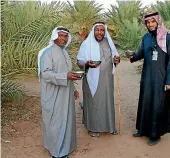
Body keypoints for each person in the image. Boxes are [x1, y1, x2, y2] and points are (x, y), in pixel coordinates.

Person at [126, 12, 170, 146]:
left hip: (161, 78)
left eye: (153, 21)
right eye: (148, 22)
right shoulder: (146, 37)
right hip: (147, 77)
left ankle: (155, 134)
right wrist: (132, 56)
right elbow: (141, 53)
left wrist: (169, 81)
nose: (150, 24)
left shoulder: (167, 37)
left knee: (158, 104)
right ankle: (142, 130)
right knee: (145, 102)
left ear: (158, 22)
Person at [37, 26, 81, 158]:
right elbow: (46, 74)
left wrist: (73, 89)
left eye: (65, 36)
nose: (63, 38)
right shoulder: (47, 53)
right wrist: (65, 76)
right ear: (55, 37)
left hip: (66, 93)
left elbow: (68, 72)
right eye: (61, 35)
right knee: (55, 121)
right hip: (53, 94)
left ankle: (67, 146)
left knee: (66, 120)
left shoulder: (65, 52)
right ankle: (56, 151)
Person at [77, 22, 120, 137]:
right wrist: (86, 63)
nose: (100, 32)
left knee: (107, 102)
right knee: (93, 103)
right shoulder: (86, 44)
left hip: (107, 80)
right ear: (93, 31)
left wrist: (116, 60)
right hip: (91, 79)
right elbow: (79, 61)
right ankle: (92, 127)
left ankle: (110, 126)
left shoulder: (108, 43)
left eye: (102, 30)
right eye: (97, 30)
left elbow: (115, 57)